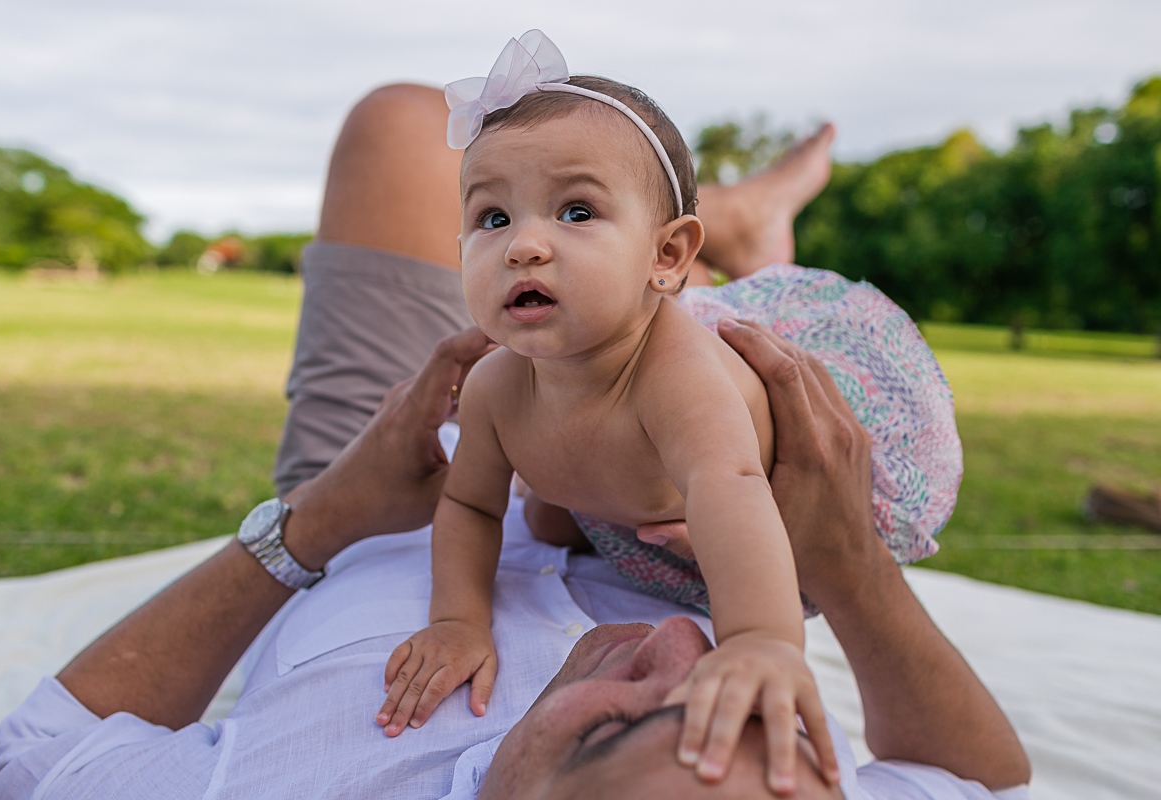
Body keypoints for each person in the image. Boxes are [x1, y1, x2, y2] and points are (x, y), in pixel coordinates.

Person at [0, 74, 1029, 800]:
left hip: (365, 500)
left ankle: (672, 246)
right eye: (785, 732)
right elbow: (728, 489)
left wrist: (352, 529)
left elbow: (41, 752)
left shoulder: (491, 387)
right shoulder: (674, 431)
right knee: (625, 337)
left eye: (619, 721)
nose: (683, 652)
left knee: (399, 123)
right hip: (738, 483)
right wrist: (771, 633)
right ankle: (704, 246)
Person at [378, 31, 960, 789]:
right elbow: (470, 503)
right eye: (492, 219)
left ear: (667, 256)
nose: (523, 245)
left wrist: (760, 640)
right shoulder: (494, 387)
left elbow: (732, 491)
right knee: (551, 515)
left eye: (575, 211)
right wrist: (459, 617)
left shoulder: (678, 377)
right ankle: (745, 225)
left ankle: (754, 239)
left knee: (577, 501)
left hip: (765, 498)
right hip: (635, 487)